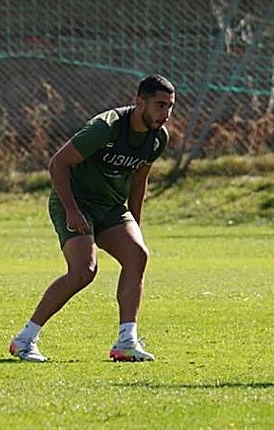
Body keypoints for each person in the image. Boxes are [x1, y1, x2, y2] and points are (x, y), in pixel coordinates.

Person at [9, 74, 176, 363]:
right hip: (75, 200)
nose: (166, 114)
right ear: (139, 103)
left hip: (110, 206)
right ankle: (25, 339)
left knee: (137, 255)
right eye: (160, 105)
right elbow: (58, 164)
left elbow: (139, 182)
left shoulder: (157, 138)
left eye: (170, 107)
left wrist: (134, 223)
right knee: (84, 271)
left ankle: (126, 341)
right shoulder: (106, 127)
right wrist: (72, 211)